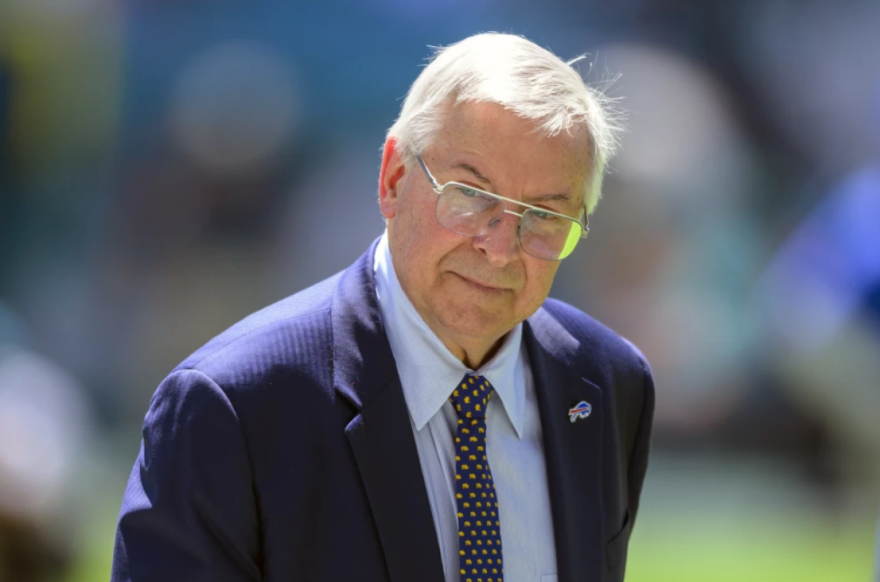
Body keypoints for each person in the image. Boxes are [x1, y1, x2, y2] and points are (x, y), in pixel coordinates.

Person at [111, 33, 654, 582]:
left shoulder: (607, 384)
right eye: (469, 194)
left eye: (543, 215)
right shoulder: (230, 407)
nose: (499, 245)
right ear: (393, 179)